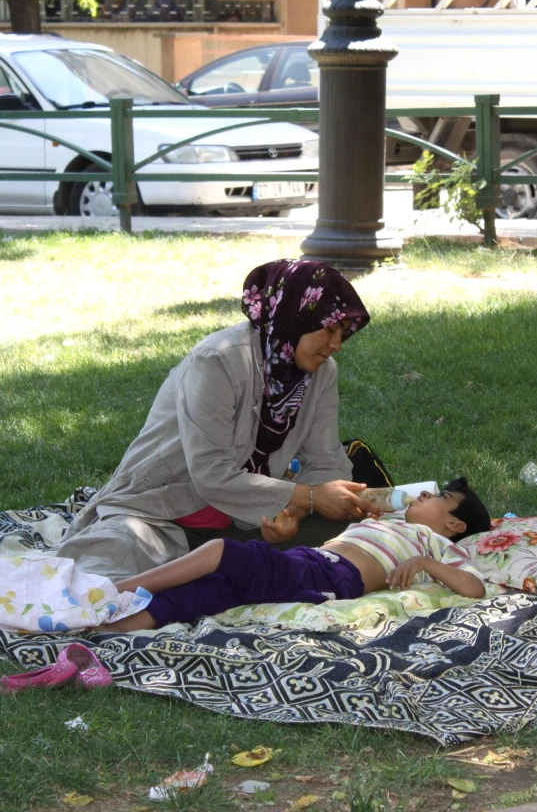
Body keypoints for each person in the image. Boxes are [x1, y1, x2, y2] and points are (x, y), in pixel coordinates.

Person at [55, 258, 382, 581]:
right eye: (329, 329)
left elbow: (326, 463)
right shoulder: (219, 359)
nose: (336, 345)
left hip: (249, 522)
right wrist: (309, 497)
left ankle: (230, 567)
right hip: (161, 515)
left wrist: (291, 513)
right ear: (295, 317)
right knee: (95, 579)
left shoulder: (321, 374)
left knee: (363, 542)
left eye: (342, 333)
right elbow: (211, 474)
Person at [95, 478, 493, 632]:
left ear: (456, 524)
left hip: (329, 578)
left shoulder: (436, 544)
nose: (425, 494)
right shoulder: (387, 521)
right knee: (206, 591)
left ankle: (116, 589)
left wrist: (424, 564)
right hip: (311, 564)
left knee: (222, 552)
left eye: (440, 497)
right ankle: (98, 629)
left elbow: (473, 587)